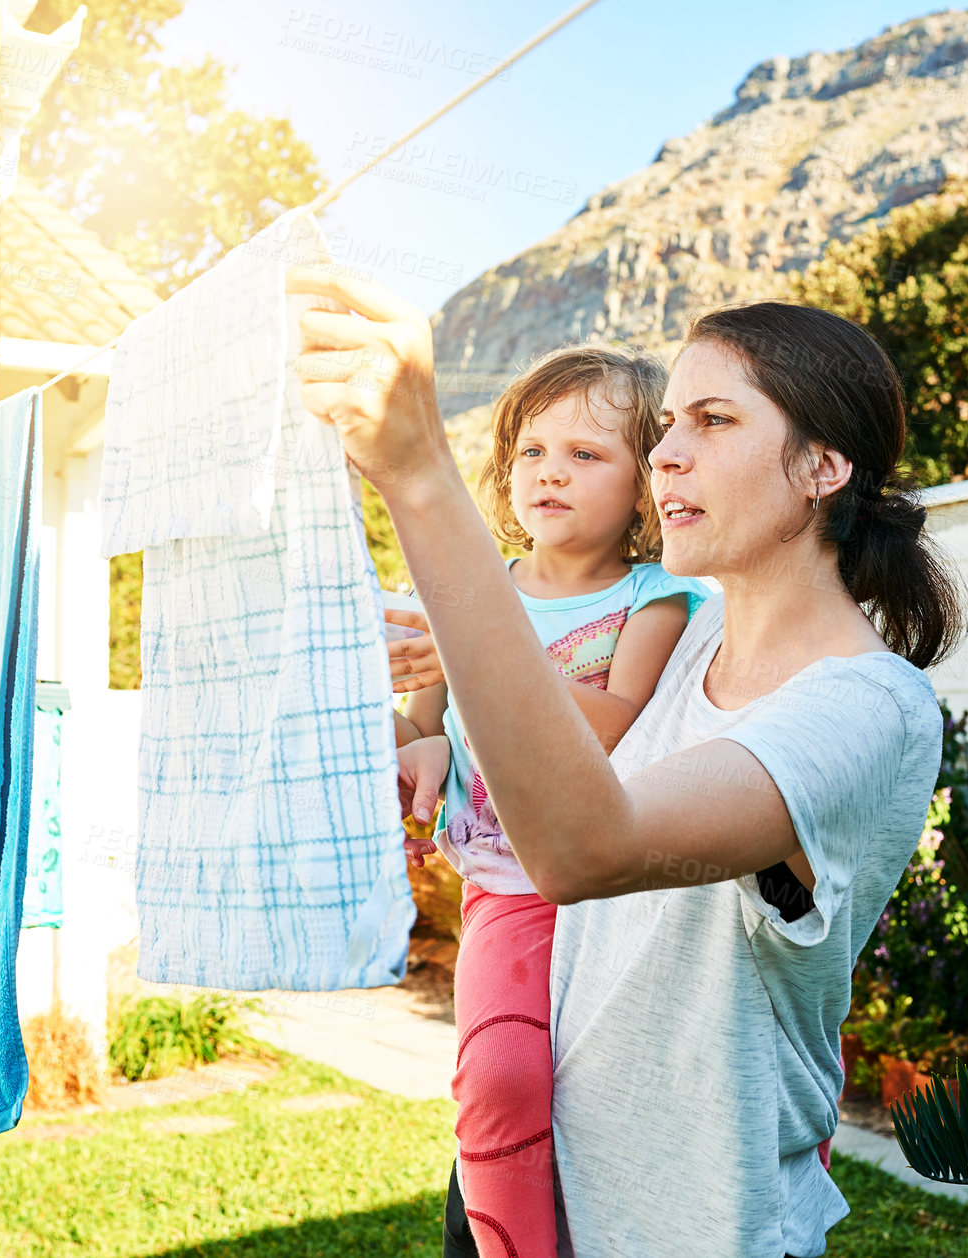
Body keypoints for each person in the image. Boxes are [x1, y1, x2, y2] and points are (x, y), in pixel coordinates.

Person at [289, 272, 966, 1258]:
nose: (666, 455)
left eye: (712, 420)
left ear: (822, 466)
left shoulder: (866, 708)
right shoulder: (691, 641)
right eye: (663, 429)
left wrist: (420, 472)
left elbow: (583, 845)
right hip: (530, 1172)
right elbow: (543, 771)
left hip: (687, 1229)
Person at [389, 345, 710, 1258]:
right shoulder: (466, 590)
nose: (549, 472)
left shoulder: (657, 600)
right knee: (498, 1077)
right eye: (532, 451)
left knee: (600, 1096)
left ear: (646, 484)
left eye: (585, 453)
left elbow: (613, 727)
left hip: (615, 892)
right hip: (507, 886)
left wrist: (479, 650)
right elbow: (423, 724)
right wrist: (420, 751)